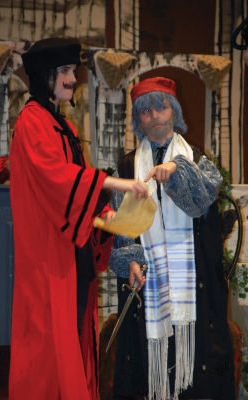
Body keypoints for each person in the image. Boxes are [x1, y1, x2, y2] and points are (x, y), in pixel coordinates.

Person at [9, 38, 148, 400]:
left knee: (72, 347)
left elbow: (84, 190)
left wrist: (113, 219)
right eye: (66, 72)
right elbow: (60, 179)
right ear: (46, 77)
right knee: (47, 355)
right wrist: (116, 182)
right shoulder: (32, 123)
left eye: (73, 71)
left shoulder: (62, 127)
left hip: (71, 259)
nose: (73, 79)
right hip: (47, 262)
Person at [109, 77, 235, 400]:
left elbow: (204, 201)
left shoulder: (194, 157)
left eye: (160, 107)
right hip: (147, 291)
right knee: (148, 376)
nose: (154, 117)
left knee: (197, 376)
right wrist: (132, 259)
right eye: (146, 111)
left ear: (174, 111)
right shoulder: (126, 167)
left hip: (195, 291)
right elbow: (122, 230)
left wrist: (178, 171)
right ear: (138, 119)